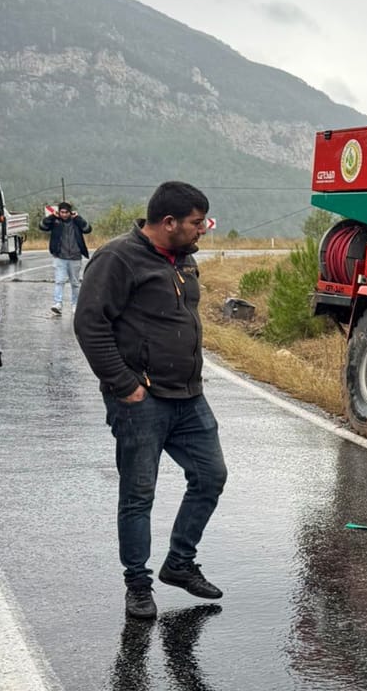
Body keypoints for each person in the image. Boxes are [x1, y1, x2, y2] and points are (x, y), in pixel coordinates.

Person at [74, 181, 226, 620]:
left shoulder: (184, 259)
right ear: (169, 222)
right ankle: (137, 585)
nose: (203, 230)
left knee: (210, 476)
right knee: (139, 494)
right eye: (197, 223)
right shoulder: (117, 258)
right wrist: (125, 385)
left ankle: (179, 563)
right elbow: (90, 325)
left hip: (189, 397)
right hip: (141, 400)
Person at [38, 201, 92, 314]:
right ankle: (58, 304)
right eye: (62, 212)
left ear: (70, 212)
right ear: (59, 212)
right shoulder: (55, 221)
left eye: (66, 212)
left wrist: (78, 218)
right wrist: (53, 216)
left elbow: (87, 229)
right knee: (59, 281)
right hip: (60, 256)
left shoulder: (76, 222)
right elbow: (42, 226)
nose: (64, 214)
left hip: (75, 257)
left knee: (75, 283)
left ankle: (75, 305)